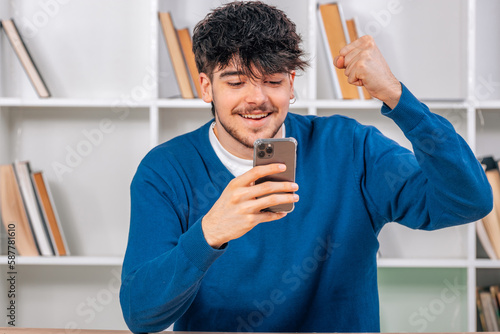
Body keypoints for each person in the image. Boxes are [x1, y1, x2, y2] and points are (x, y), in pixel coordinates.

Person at [119, 1, 492, 333]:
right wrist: (209, 233)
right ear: (205, 87)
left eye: (273, 81)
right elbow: (141, 315)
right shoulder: (165, 171)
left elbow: (468, 200)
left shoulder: (351, 147)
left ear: (291, 83)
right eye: (235, 82)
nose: (257, 99)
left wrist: (397, 97)